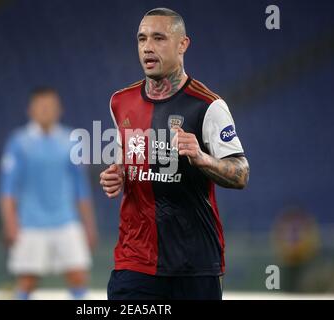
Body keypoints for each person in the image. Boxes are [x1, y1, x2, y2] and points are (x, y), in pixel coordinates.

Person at [100, 8, 250, 300]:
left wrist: (202, 158)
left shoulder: (208, 106)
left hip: (194, 264)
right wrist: (118, 172)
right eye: (142, 39)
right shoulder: (120, 101)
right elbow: (127, 158)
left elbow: (242, 172)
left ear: (183, 45)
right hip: (135, 261)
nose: (147, 47)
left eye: (159, 38)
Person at [0, 87, 97, 300]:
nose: (45, 110)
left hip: (66, 221)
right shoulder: (18, 142)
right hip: (30, 223)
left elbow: (81, 188)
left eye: (50, 106)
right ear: (30, 110)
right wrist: (10, 223)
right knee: (26, 280)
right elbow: (8, 189)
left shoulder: (72, 140)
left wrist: (89, 225)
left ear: (59, 109)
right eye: (41, 106)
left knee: (78, 276)